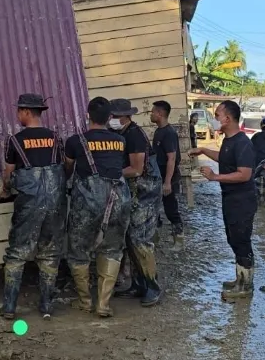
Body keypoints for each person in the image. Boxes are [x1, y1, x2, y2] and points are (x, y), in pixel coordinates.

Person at [0, 94, 66, 320]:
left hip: (29, 204)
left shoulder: (15, 140)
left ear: (26, 112)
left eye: (19, 111)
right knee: (49, 253)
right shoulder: (56, 138)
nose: (17, 115)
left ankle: (9, 306)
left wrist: (6, 189)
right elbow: (63, 168)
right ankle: (46, 306)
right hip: (56, 203)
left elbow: (9, 173)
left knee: (17, 253)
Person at [63, 97, 131, 318]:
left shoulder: (75, 142)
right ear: (110, 118)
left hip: (87, 203)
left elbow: (68, 169)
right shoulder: (120, 141)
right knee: (112, 250)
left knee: (78, 250)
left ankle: (84, 301)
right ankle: (103, 304)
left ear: (88, 115)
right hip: (118, 200)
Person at [189, 100, 257, 299]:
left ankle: (246, 286)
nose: (214, 118)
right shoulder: (229, 140)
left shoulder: (243, 143)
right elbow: (224, 158)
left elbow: (244, 174)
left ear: (227, 119)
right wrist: (202, 150)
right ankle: (240, 279)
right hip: (230, 198)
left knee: (241, 240)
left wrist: (215, 177)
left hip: (242, 200)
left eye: (217, 115)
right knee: (233, 238)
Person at [110, 98, 163, 306]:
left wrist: (111, 173)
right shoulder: (121, 133)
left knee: (140, 240)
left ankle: (152, 286)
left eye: (115, 117)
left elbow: (137, 169)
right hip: (134, 192)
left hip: (145, 191)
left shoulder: (134, 135)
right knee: (131, 239)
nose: (112, 120)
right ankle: (138, 284)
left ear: (126, 117)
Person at [151, 100, 184, 238]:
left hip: (168, 175)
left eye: (152, 112)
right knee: (154, 207)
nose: (151, 114)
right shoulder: (159, 131)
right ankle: (155, 238)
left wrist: (167, 182)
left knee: (170, 208)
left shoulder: (169, 133)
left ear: (159, 114)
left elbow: (171, 158)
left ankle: (179, 237)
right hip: (159, 175)